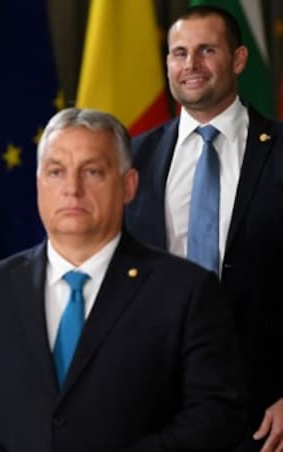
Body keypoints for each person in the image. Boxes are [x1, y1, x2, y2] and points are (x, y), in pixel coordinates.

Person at [0, 108, 246, 451]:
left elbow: (217, 412)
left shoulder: (184, 291)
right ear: (38, 184)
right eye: (56, 172)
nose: (72, 189)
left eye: (92, 172)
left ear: (128, 186)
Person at [124, 6, 283, 450]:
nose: (190, 65)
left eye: (206, 50)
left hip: (265, 409)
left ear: (238, 59)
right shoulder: (132, 160)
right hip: (153, 404)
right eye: (179, 53)